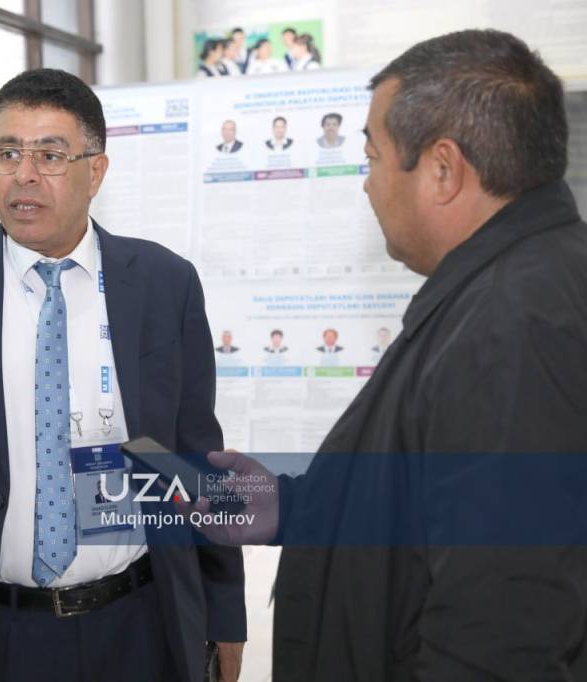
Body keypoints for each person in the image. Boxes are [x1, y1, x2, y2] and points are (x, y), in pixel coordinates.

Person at [184, 30, 587, 680]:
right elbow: (427, 496)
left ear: (443, 170)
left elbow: (501, 631)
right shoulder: (514, 284)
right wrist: (291, 505)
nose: (368, 186)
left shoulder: (514, 321)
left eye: (372, 157)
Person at [0, 69, 246, 682]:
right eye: (7, 153)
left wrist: (225, 612)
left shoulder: (162, 283)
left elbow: (196, 456)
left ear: (95, 171)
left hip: (136, 623)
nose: (24, 174)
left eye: (49, 155)